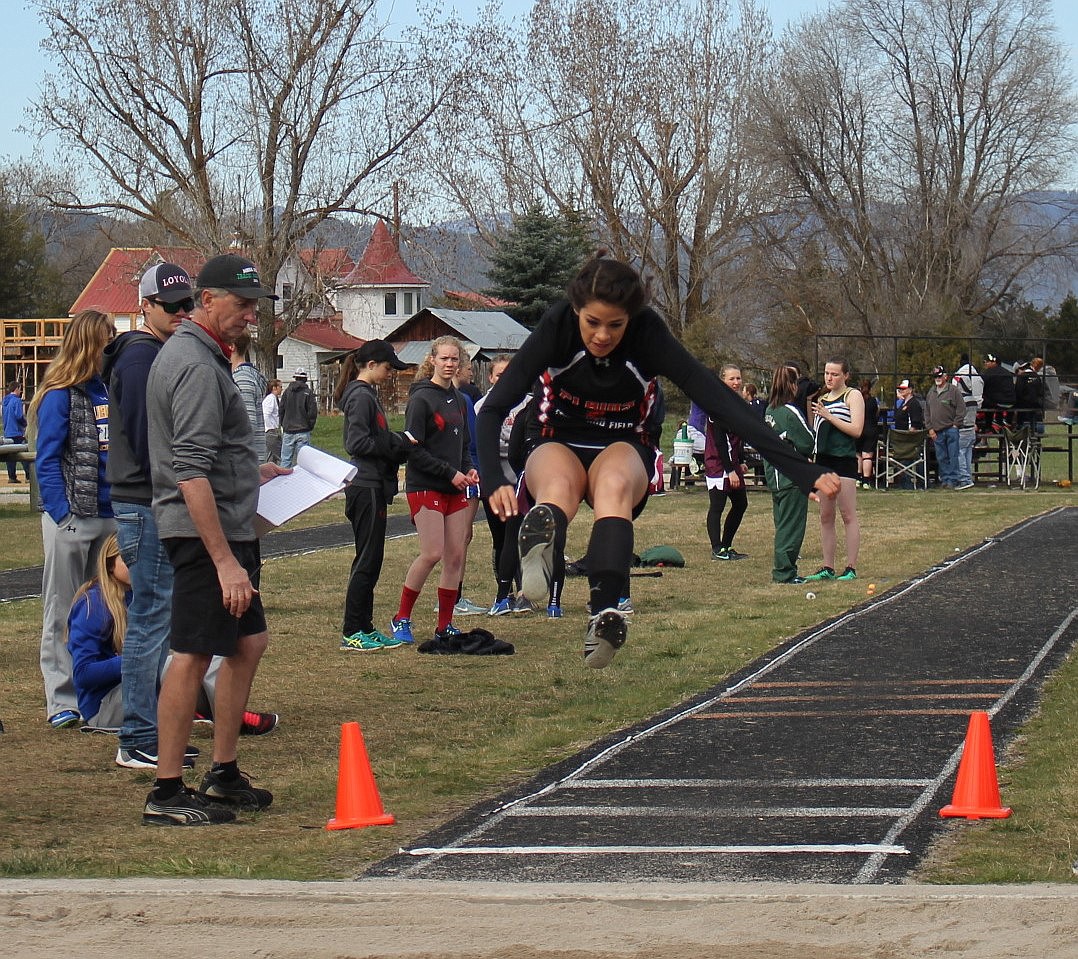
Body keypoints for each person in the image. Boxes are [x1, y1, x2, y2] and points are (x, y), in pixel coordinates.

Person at [476, 253, 840, 668]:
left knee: (613, 488)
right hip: (558, 435)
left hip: (625, 439)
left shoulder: (648, 333)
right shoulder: (557, 326)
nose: (601, 336)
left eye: (615, 325)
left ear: (632, 317)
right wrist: (493, 477)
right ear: (576, 311)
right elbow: (492, 408)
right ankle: (544, 539)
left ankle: (605, 611)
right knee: (559, 489)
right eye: (592, 323)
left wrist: (800, 468)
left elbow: (720, 401)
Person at [143, 253, 286, 826]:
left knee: (248, 643)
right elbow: (190, 469)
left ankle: (223, 772)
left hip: (226, 527)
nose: (251, 316)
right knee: (192, 653)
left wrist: (253, 471)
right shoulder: (197, 365)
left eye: (254, 306)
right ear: (207, 300)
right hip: (204, 535)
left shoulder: (207, 356)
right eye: (242, 304)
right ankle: (167, 789)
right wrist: (224, 561)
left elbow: (214, 456)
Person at [103, 261, 196, 767]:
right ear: (145, 306)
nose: (183, 313)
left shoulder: (157, 352)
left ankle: (157, 729)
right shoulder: (140, 359)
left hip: (150, 499)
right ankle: (137, 735)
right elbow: (147, 441)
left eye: (189, 303)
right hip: (146, 502)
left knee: (161, 619)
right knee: (149, 619)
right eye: (172, 305)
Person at [29, 308, 116, 729]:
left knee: (105, 606)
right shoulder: (59, 393)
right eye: (107, 337)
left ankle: (97, 692)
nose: (112, 344)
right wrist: (62, 515)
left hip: (108, 513)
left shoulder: (108, 390)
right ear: (90, 342)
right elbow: (46, 459)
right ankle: (61, 697)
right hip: (73, 518)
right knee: (61, 607)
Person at [389, 336, 481, 647]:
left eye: (454, 359)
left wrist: (467, 468)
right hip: (425, 485)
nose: (449, 364)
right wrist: (449, 473)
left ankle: (445, 624)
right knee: (432, 553)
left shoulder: (458, 398)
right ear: (432, 359)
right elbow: (413, 451)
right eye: (444, 359)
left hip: (455, 486)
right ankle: (401, 617)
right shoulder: (421, 399)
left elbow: (463, 444)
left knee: (455, 556)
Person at [335, 339, 413, 651]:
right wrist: (396, 444)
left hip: (373, 485)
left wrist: (394, 442)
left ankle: (365, 625)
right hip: (364, 486)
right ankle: (352, 630)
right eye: (386, 367)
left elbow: (373, 437)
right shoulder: (360, 396)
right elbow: (357, 443)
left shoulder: (368, 395)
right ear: (370, 365)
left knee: (373, 559)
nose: (389, 373)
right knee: (366, 560)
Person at [804, 358, 864, 583]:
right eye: (827, 373)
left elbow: (857, 429)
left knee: (847, 514)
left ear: (845, 376)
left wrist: (830, 417)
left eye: (835, 374)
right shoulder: (821, 399)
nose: (829, 378)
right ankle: (828, 566)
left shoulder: (852, 395)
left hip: (844, 460)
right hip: (824, 461)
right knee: (825, 516)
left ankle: (850, 567)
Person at [67, 534, 128, 730]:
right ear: (110, 564)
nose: (138, 565)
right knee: (168, 666)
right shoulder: (93, 604)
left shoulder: (146, 596)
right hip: (102, 708)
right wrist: (136, 660)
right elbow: (83, 674)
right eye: (128, 558)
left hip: (136, 692)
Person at [764, 366, 815, 584]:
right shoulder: (790, 412)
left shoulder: (769, 410)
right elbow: (807, 441)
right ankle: (785, 571)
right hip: (791, 477)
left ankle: (784, 568)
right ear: (792, 386)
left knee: (782, 524)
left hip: (773, 475)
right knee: (791, 527)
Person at [704, 364, 750, 561]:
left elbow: (738, 437)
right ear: (722, 381)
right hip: (718, 463)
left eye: (738, 378)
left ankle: (727, 544)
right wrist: (730, 469)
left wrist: (741, 461)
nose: (736, 382)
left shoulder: (738, 404)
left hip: (732, 463)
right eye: (732, 379)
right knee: (717, 505)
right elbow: (721, 442)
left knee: (740, 503)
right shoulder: (717, 405)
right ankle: (717, 549)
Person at [924, 364, 965, 490]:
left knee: (953, 456)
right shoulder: (931, 392)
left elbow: (961, 408)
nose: (938, 378)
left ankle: (953, 480)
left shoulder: (953, 390)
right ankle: (945, 479)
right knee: (941, 457)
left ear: (946, 376)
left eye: (940, 376)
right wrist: (930, 429)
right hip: (936, 431)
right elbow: (926, 412)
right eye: (936, 376)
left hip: (950, 429)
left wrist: (955, 425)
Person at [231, 332, 268, 463]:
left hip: (244, 465)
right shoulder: (243, 376)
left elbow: (247, 426)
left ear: (232, 346)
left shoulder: (242, 380)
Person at [952, 356, 983, 490]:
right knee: (967, 454)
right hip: (971, 430)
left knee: (960, 453)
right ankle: (968, 477)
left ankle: (964, 479)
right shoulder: (973, 400)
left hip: (964, 429)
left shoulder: (961, 400)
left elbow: (958, 416)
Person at [279, 367, 318, 468]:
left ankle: (283, 483)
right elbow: (312, 412)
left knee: (285, 461)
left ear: (295, 378)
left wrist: (283, 424)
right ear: (305, 379)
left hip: (288, 431)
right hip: (303, 430)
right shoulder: (308, 393)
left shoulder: (287, 392)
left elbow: (281, 409)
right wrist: (309, 426)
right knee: (303, 463)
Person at [892, 379, 925, 490]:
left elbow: (915, 423)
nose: (901, 391)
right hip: (901, 439)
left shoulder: (913, 403)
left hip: (910, 440)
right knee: (903, 459)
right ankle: (905, 482)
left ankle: (914, 482)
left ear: (910, 390)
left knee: (910, 459)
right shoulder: (903, 403)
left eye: (903, 389)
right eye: (900, 389)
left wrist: (910, 435)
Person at [3, 382, 31, 483]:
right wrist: (25, 424)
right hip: (17, 431)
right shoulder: (17, 401)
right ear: (16, 389)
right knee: (23, 454)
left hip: (7, 431)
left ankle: (12, 476)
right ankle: (29, 476)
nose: (21, 391)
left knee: (10, 455)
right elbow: (19, 416)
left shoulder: (5, 400)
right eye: (20, 389)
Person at [981, 353, 1016, 431]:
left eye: (988, 361)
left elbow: (981, 387)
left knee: (984, 400)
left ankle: (988, 426)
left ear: (994, 362)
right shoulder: (1007, 372)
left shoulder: (988, 373)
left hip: (998, 403)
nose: (986, 363)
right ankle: (1005, 422)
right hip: (1011, 403)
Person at [856, 379, 879, 488]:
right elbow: (876, 414)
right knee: (867, 456)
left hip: (859, 428)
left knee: (858, 455)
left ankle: (857, 478)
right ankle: (866, 481)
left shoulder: (857, 400)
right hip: (871, 429)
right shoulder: (873, 401)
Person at [262, 379, 283, 465]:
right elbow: (266, 414)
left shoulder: (274, 398)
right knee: (281, 455)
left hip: (273, 430)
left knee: (271, 457)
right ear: (274, 388)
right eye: (280, 387)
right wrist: (269, 428)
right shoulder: (270, 399)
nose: (282, 389)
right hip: (271, 431)